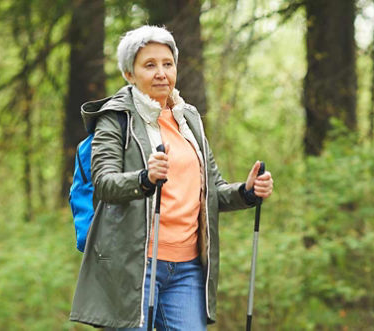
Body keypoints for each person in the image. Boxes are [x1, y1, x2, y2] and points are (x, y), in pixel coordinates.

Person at [69, 25, 274, 330]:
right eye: (149, 65)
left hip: (188, 269)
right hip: (135, 266)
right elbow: (104, 183)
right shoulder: (115, 118)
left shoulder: (187, 118)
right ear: (129, 73)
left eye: (167, 63)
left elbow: (212, 191)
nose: (161, 72)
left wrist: (246, 191)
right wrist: (144, 178)